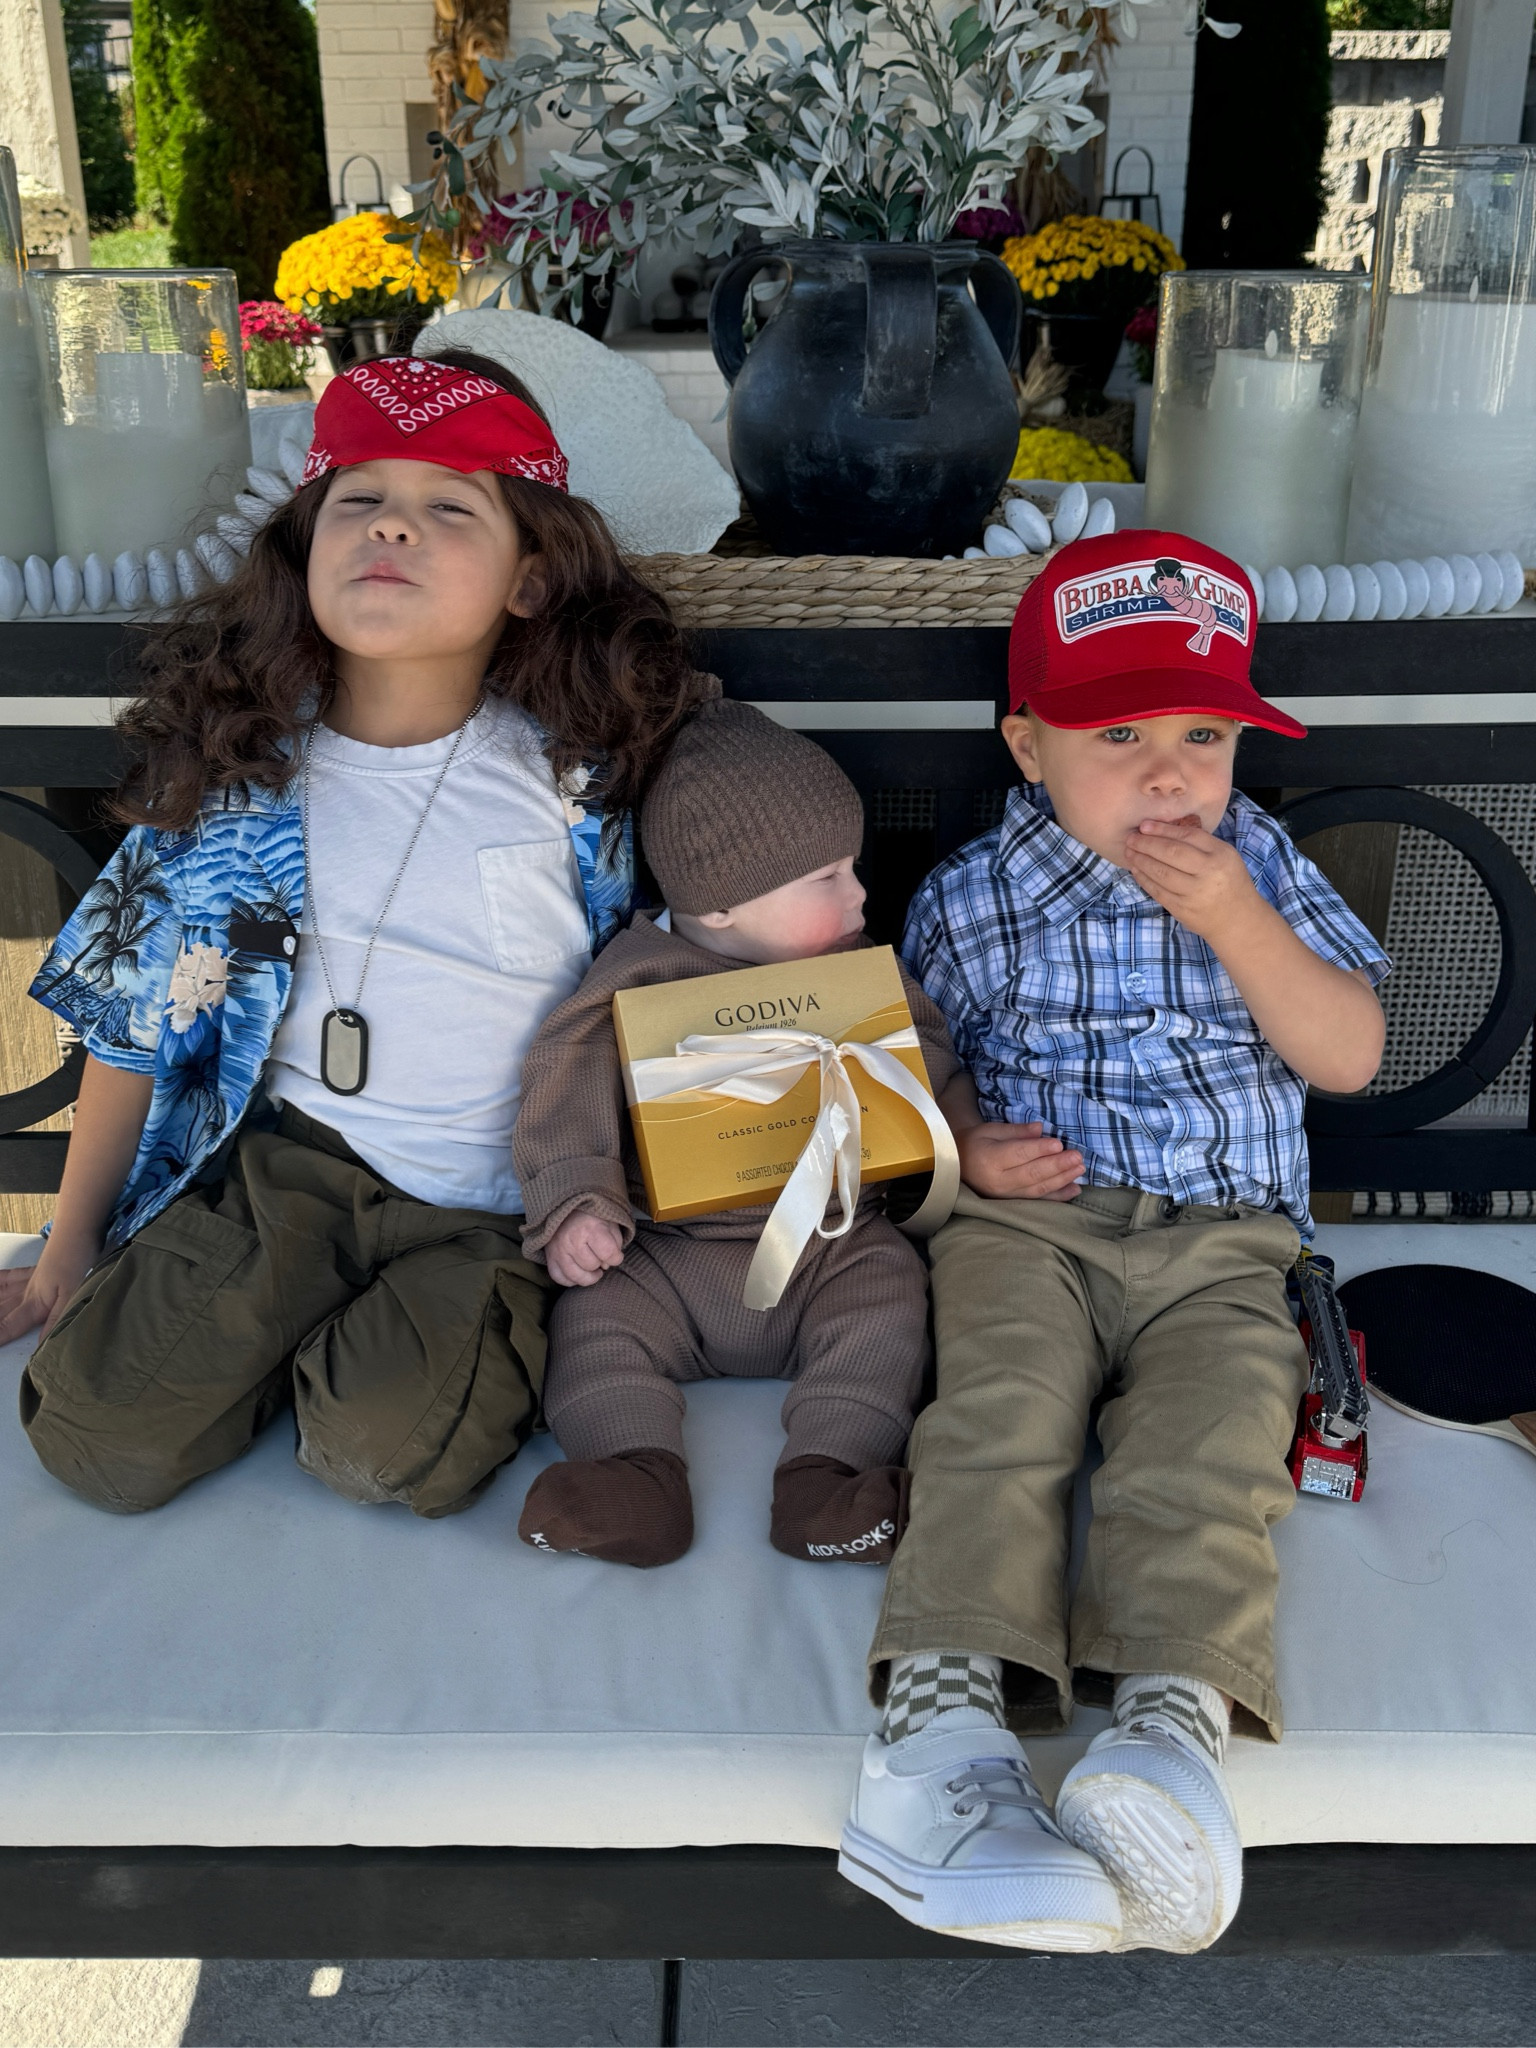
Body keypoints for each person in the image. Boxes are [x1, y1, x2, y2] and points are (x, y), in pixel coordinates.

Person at [3, 351, 704, 1518]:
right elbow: (132, 1027)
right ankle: (258, 1318)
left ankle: (345, 1349)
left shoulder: (577, 780)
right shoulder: (239, 776)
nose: (394, 527)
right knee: (93, 1432)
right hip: (284, 1170)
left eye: (448, 506)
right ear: (305, 547)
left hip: (488, 1203)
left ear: (529, 581)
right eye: (360, 498)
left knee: (391, 1452)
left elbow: (677, 961)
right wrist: (69, 1245)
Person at [839, 533, 1390, 1953]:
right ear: (1027, 746)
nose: (1170, 775)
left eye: (1204, 735)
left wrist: (1242, 924)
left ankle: (1165, 1724)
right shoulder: (973, 897)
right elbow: (912, 1060)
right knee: (999, 1414)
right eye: (1120, 735)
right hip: (1041, 1225)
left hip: (1230, 1241)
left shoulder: (1259, 863)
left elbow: (1346, 1054)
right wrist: (963, 1142)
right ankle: (943, 1733)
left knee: (1206, 1450)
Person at [511, 696, 959, 1567]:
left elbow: (930, 1056)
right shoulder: (633, 982)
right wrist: (576, 1207)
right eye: (826, 877)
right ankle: (633, 1475)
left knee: (892, 1304)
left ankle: (828, 1484)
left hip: (831, 1245)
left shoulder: (856, 972)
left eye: (852, 868)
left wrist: (932, 1114)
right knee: (593, 1321)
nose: (861, 893)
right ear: (719, 903)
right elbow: (561, 1094)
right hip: (668, 1258)